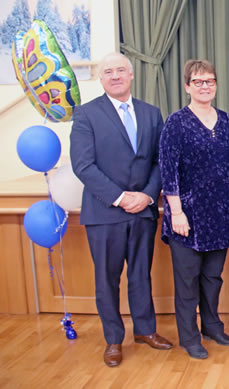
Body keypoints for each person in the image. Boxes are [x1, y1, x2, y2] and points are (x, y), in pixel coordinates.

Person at [70, 52, 173, 367]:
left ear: (131, 75)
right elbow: (83, 165)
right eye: (108, 72)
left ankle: (145, 330)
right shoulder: (86, 114)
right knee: (107, 279)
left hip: (143, 210)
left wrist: (146, 195)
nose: (115, 76)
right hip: (105, 212)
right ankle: (114, 339)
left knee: (141, 274)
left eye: (120, 70)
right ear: (101, 79)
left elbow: (160, 160)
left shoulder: (152, 113)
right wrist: (119, 197)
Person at [159, 59, 229, 359]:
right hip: (187, 216)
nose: (205, 86)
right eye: (198, 82)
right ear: (187, 87)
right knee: (187, 280)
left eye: (209, 81)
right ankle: (189, 336)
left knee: (212, 278)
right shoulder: (176, 122)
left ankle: (212, 325)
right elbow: (167, 170)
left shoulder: (226, 121)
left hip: (220, 214)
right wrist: (177, 211)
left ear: (216, 85)